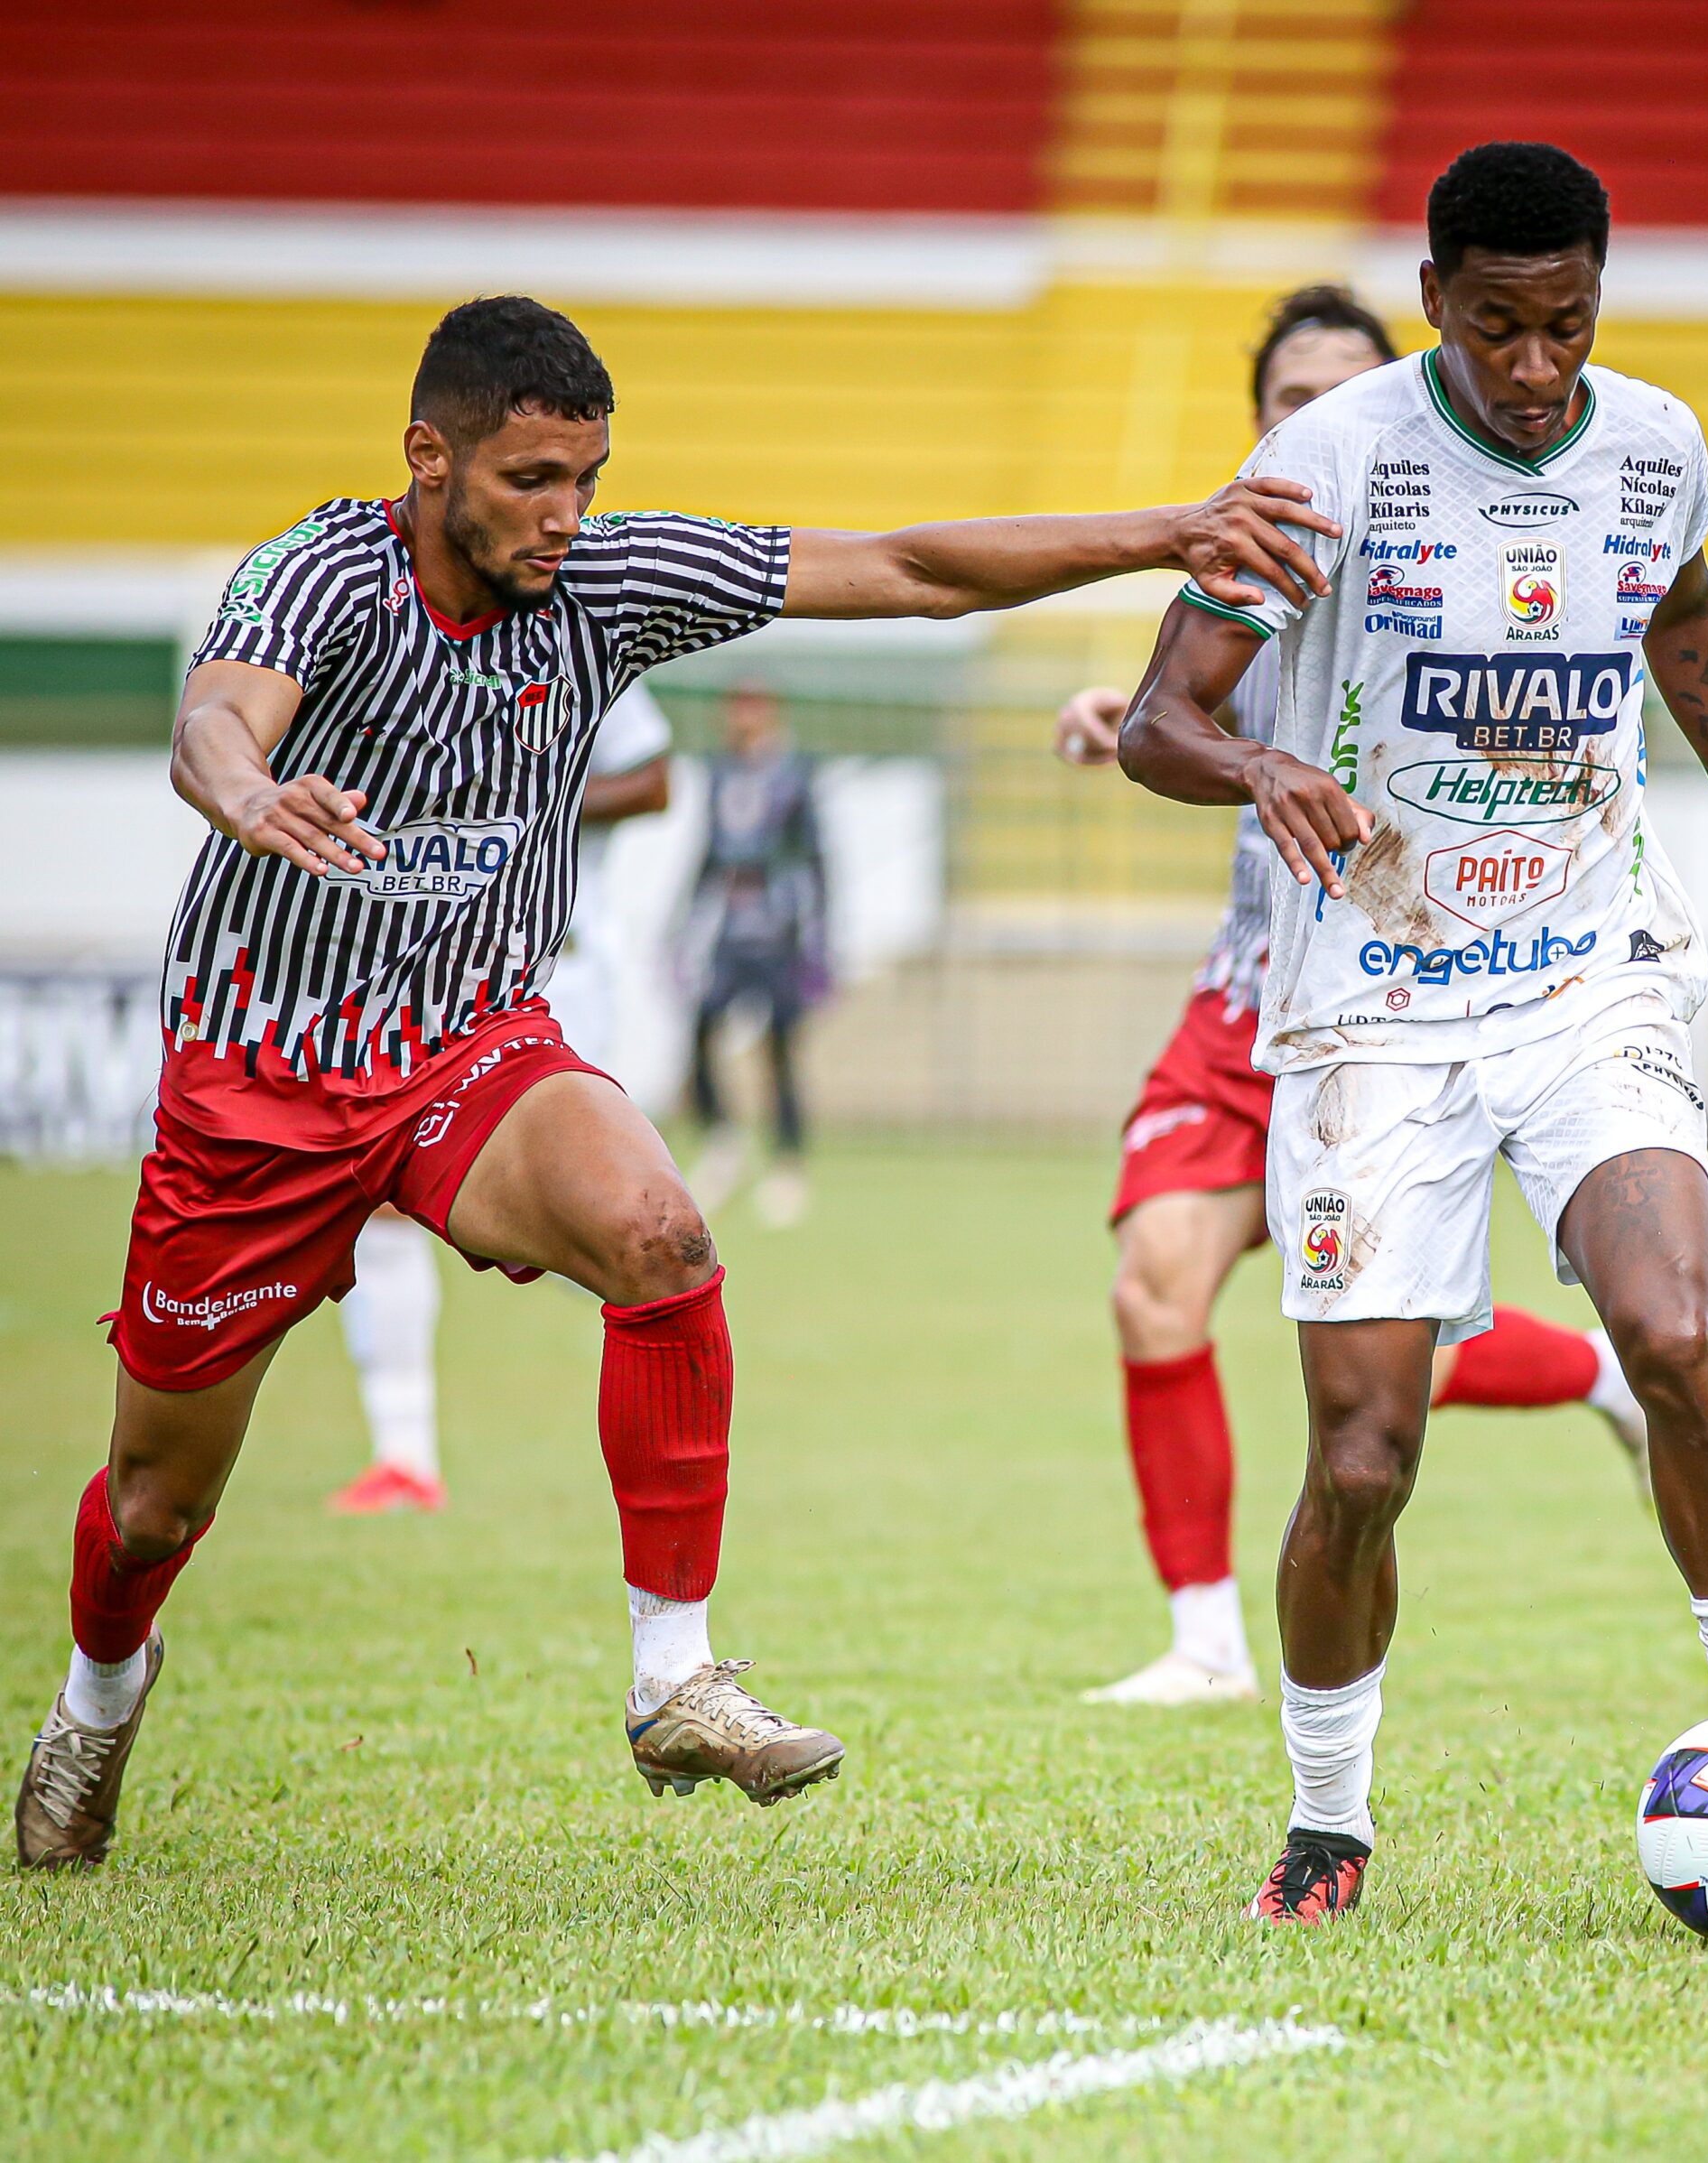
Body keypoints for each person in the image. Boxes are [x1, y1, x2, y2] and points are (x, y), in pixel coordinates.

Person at [15, 292, 1340, 1871]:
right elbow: (211, 726)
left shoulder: (611, 577)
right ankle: (102, 1688)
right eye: (528, 480)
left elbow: (909, 568)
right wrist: (246, 795)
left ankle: (673, 1677)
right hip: (264, 1080)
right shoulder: (320, 574)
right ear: (428, 459)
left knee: (662, 1233)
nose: (563, 515)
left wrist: (1167, 533)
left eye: (584, 474)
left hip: (467, 1045)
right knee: (156, 1507)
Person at [1114, 143, 1708, 1923]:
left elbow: (1685, 628)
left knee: (1671, 1327)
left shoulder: (1653, 444)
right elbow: (1156, 722)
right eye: (1497, 326)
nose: (1537, 364)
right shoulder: (1322, 463)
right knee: (1360, 1456)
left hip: (1587, 969)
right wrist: (1261, 762)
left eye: (1565, 324)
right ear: (1432, 303)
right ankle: (1326, 1821)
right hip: (1368, 1006)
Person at [1058, 284, 1648, 1710]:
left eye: (1338, 397)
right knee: (1156, 1291)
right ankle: (1204, 1638)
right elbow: (1181, 710)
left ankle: (1600, 1374)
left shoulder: (1451, 557)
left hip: (1394, 1006)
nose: (1308, 423)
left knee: (1384, 1363)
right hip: (1241, 1001)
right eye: (1284, 402)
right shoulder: (1242, 557)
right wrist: (1113, 716)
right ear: (1259, 421)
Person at [328, 681, 674, 1515]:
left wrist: (533, 801)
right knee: (378, 1201)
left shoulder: (577, 638)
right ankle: (404, 1455)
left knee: (609, 1221)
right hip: (414, 973)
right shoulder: (389, 640)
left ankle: (679, 1311)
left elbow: (655, 781)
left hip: (553, 974)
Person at [684, 685, 827, 1230]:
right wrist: (685, 926)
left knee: (781, 1049)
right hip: (728, 929)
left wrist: (819, 939)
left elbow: (816, 857)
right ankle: (723, 1141)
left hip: (778, 930)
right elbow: (706, 853)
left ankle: (788, 1165)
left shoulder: (794, 774)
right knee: (701, 1030)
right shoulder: (720, 773)